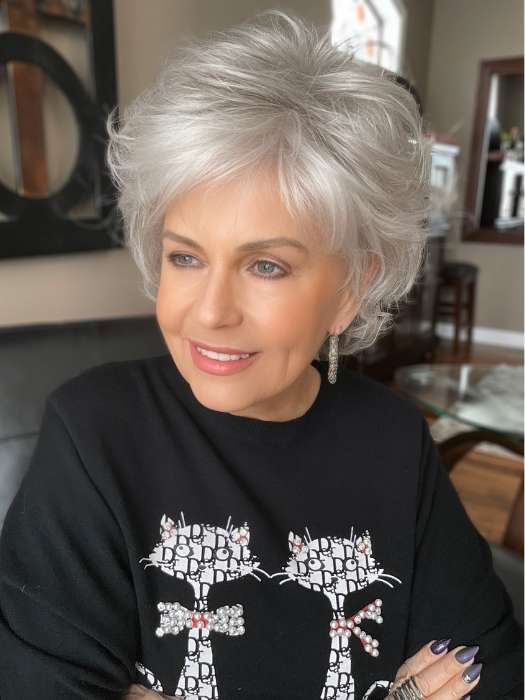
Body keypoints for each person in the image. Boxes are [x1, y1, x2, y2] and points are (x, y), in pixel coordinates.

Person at [0, 9, 522, 700]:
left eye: (266, 265)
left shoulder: (393, 437)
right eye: (185, 257)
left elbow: (493, 673)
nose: (209, 312)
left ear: (350, 290)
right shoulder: (94, 431)